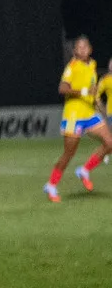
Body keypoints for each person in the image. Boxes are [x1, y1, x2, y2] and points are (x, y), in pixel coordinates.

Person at [45, 36, 110, 201]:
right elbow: (62, 88)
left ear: (90, 49)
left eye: (84, 47)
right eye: (78, 48)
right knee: (69, 153)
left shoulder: (93, 64)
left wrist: (97, 105)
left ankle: (84, 170)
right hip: (74, 115)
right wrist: (83, 92)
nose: (82, 50)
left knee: (110, 143)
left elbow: (93, 90)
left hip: (89, 112)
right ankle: (51, 186)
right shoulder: (72, 66)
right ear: (75, 51)